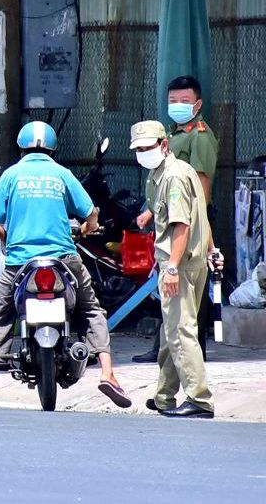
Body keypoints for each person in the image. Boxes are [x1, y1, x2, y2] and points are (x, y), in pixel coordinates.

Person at [0, 121, 131, 409]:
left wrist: (1, 234)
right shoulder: (62, 174)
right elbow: (90, 215)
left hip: (19, 263)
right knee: (90, 310)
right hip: (63, 258)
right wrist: (88, 229)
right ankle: (108, 373)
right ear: (52, 147)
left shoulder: (11, 175)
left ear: (21, 146)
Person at [131, 120, 216, 418]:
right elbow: (201, 215)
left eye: (148, 147)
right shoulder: (169, 172)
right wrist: (211, 249)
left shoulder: (174, 177)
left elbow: (183, 224)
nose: (143, 153)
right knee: (171, 331)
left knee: (182, 331)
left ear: (164, 145)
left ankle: (199, 398)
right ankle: (164, 395)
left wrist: (171, 269)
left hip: (179, 263)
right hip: (188, 260)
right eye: (139, 149)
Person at [134, 75, 219, 363]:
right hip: (170, 220)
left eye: (185, 101)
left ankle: (195, 358)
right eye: (173, 101)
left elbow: (201, 190)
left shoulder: (201, 137)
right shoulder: (171, 135)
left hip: (191, 222)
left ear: (198, 104)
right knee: (172, 298)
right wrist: (149, 212)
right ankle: (168, 359)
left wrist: (204, 236)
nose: (178, 106)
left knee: (189, 300)